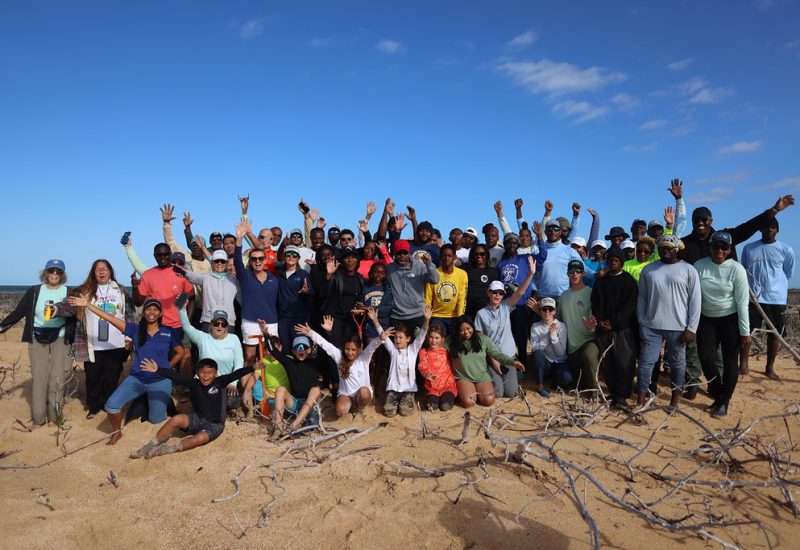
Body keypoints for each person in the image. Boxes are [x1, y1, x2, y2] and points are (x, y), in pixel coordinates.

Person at [678, 194, 794, 398]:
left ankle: (720, 387)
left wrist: (774, 210)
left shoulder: (726, 236)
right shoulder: (686, 244)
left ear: (711, 221)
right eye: (697, 220)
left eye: (704, 220)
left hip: (728, 309)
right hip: (700, 309)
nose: (701, 223)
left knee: (723, 355)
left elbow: (750, 226)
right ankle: (694, 382)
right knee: (698, 351)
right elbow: (671, 257)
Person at [68, 296, 184, 444]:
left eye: (155, 309)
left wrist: (165, 368)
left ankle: (159, 401)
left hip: (160, 381)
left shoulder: (168, 331)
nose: (151, 312)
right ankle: (117, 433)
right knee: (111, 405)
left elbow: (180, 352)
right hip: (137, 379)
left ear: (161, 314)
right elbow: (110, 318)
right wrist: (88, 305)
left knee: (156, 420)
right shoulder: (135, 330)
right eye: (148, 309)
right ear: (144, 312)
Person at [53, 259, 135, 419]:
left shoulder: (121, 290)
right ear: (93, 272)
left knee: (112, 377)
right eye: (98, 269)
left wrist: (129, 337)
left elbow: (130, 315)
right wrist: (55, 308)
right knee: (92, 378)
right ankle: (93, 406)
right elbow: (68, 306)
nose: (102, 272)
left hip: (116, 342)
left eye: (105, 269)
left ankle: (108, 404)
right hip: (91, 342)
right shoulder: (84, 290)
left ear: (111, 271)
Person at [0, 259, 76, 429]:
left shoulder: (70, 292)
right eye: (51, 271)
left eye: (58, 272)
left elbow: (75, 311)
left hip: (61, 337)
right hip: (37, 335)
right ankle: (38, 419)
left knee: (57, 378)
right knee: (39, 377)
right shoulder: (34, 291)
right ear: (45, 273)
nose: (54, 274)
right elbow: (18, 312)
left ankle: (55, 418)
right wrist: (2, 326)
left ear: (62, 275)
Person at [130, 358, 253, 459]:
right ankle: (151, 444)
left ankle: (167, 449)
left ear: (215, 373)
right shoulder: (194, 384)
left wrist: (252, 368)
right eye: (202, 372)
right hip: (197, 418)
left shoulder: (220, 382)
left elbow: (236, 374)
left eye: (209, 373)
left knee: (199, 438)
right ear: (198, 373)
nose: (205, 376)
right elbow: (176, 377)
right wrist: (157, 369)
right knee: (176, 419)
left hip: (215, 425)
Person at [636, 234, 701, 410]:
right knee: (645, 363)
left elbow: (695, 301)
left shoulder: (688, 270)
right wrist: (641, 321)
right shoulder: (649, 270)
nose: (665, 251)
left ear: (677, 249)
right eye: (662, 248)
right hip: (651, 326)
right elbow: (642, 297)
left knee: (677, 364)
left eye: (669, 248)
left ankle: (674, 401)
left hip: (678, 328)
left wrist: (691, 328)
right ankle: (640, 400)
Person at [695, 232, 751, 418]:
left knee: (729, 363)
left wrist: (745, 332)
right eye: (716, 247)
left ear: (729, 250)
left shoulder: (737, 269)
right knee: (706, 359)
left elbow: (742, 302)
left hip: (730, 319)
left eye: (724, 247)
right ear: (709, 248)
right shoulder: (699, 266)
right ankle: (720, 394)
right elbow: (693, 298)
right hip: (706, 319)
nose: (719, 251)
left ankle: (723, 402)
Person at [300, 309, 387, 417]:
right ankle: (352, 405)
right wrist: (310, 332)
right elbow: (324, 344)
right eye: (347, 349)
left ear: (359, 350)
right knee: (339, 410)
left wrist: (380, 338)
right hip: (346, 394)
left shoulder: (364, 358)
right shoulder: (339, 356)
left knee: (364, 393)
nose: (350, 353)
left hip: (362, 393)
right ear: (343, 348)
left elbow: (373, 345)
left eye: (353, 350)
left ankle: (361, 408)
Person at [740, 218, 795, 380]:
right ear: (760, 229)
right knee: (746, 332)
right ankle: (743, 366)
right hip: (753, 299)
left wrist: (774, 286)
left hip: (776, 299)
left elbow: (787, 273)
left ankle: (769, 368)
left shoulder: (786, 250)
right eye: (766, 226)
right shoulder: (749, 248)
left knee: (775, 334)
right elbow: (744, 270)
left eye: (773, 227)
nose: (769, 230)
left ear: (777, 230)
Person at [474, 257, 536, 398]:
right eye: (494, 292)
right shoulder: (481, 314)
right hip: (492, 358)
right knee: (498, 394)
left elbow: (520, 292)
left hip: (508, 357)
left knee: (511, 393)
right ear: (488, 293)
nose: (497, 295)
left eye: (500, 293)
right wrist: (494, 362)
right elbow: (482, 342)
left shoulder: (506, 306)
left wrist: (531, 274)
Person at [591, 248, 638, 409]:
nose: (613, 262)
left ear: (622, 262)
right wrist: (599, 321)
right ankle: (613, 392)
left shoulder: (629, 281)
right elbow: (595, 303)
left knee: (624, 362)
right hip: (603, 330)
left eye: (616, 259)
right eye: (610, 259)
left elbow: (629, 307)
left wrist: (614, 322)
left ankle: (623, 396)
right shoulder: (601, 282)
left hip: (622, 330)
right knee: (608, 362)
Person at [444, 316, 525, 409]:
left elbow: (497, 354)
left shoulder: (483, 339)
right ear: (457, 331)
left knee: (489, 400)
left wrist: (512, 362)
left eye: (468, 328)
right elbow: (437, 349)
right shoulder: (451, 341)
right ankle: (466, 393)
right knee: (468, 402)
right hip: (463, 377)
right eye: (462, 330)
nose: (466, 332)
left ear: (473, 327)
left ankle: (475, 392)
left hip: (481, 377)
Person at [178, 306, 245, 411]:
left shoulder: (234, 339)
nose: (219, 327)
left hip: (224, 383)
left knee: (233, 401)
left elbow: (239, 363)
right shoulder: (202, 338)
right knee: (203, 401)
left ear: (227, 327)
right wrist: (182, 309)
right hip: (203, 381)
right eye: (216, 323)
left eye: (223, 324)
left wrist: (233, 383)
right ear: (211, 324)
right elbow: (187, 327)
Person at [234, 220, 279, 368]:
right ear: (251, 261)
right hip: (250, 321)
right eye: (254, 259)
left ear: (265, 260)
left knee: (271, 356)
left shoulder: (274, 278)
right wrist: (239, 239)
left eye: (260, 258)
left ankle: (267, 387)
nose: (257, 261)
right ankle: (247, 388)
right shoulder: (245, 275)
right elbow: (237, 261)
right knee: (250, 357)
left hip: (271, 322)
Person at [132, 242, 196, 338]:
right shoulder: (147, 275)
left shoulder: (181, 273)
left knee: (181, 353)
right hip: (154, 325)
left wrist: (187, 325)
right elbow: (138, 303)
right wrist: (135, 287)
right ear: (154, 256)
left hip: (178, 326)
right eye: (159, 255)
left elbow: (191, 299)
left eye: (165, 254)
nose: (163, 257)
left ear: (170, 254)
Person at [557, 260, 601, 397]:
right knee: (576, 384)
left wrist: (591, 327)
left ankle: (595, 391)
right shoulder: (563, 296)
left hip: (589, 341)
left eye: (578, 271)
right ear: (567, 274)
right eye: (571, 272)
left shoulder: (591, 292)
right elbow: (556, 319)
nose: (574, 274)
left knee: (589, 355)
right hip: (572, 349)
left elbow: (593, 322)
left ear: (583, 274)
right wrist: (539, 312)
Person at [269, 333, 323, 434]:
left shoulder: (315, 362)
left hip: (311, 408)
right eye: (297, 347)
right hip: (295, 405)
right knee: (280, 389)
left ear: (309, 350)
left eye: (304, 347)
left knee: (316, 390)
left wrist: (325, 333)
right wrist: (265, 333)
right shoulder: (290, 363)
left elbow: (328, 349)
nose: (301, 349)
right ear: (293, 351)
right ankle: (278, 426)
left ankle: (295, 425)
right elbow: (273, 350)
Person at [383, 306, 432, 417]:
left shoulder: (413, 350)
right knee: (389, 412)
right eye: (395, 337)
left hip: (408, 389)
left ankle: (408, 398)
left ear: (408, 339)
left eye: (401, 337)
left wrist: (427, 319)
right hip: (393, 389)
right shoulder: (393, 350)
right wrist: (375, 321)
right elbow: (384, 336)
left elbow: (423, 333)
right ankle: (394, 400)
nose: (397, 340)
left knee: (405, 411)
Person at [386, 239, 439, 334]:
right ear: (394, 254)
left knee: (418, 347)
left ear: (409, 253)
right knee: (396, 348)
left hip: (417, 316)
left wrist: (429, 264)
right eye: (399, 253)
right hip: (396, 317)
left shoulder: (420, 266)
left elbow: (435, 280)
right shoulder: (389, 269)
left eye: (405, 253)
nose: (402, 256)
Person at [181, 249, 240, 331]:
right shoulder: (205, 277)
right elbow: (191, 276)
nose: (219, 263)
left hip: (228, 322)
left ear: (226, 263)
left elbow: (241, 301)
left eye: (222, 261)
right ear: (212, 263)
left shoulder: (234, 280)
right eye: (216, 261)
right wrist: (180, 268)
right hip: (209, 321)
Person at [529, 297, 569, 397]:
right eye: (544, 309)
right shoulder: (535, 326)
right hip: (545, 364)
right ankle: (540, 385)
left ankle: (555, 383)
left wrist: (553, 336)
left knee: (567, 378)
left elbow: (561, 353)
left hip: (558, 361)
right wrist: (548, 336)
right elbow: (535, 348)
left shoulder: (561, 326)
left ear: (554, 311)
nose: (547, 312)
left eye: (550, 309)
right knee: (538, 353)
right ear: (540, 311)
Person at [276, 244, 314, 352]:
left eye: (294, 255)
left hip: (299, 319)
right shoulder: (279, 276)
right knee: (285, 349)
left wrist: (308, 291)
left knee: (300, 349)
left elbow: (312, 295)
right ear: (284, 257)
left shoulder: (303, 274)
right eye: (288, 255)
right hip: (283, 319)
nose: (291, 257)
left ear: (298, 258)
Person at [537, 220, 585, 299]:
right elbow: (533, 274)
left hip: (563, 297)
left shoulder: (569, 251)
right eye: (550, 229)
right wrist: (535, 290)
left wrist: (595, 275)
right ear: (545, 232)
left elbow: (582, 267)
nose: (553, 232)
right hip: (543, 296)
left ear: (560, 232)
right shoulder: (538, 251)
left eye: (556, 229)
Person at [425, 244, 468, 334]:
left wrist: (460, 319)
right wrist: (427, 317)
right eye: (444, 255)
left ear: (455, 257)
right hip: (436, 316)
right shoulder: (434, 273)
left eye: (449, 256)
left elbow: (462, 297)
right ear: (440, 257)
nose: (447, 258)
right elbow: (428, 297)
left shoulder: (462, 274)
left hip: (454, 316)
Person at [417, 323, 457, 412]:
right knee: (432, 407)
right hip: (432, 387)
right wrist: (427, 374)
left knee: (445, 406)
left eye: (437, 338)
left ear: (442, 339)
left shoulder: (446, 351)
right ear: (428, 338)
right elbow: (422, 366)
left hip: (447, 385)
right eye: (431, 337)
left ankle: (449, 398)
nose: (433, 341)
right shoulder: (423, 352)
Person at [463, 243, 500, 319]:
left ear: (487, 255)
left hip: (486, 309)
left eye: (482, 254)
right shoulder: (465, 269)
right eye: (476, 254)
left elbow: (496, 292)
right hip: (468, 309)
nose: (479, 256)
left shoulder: (492, 271)